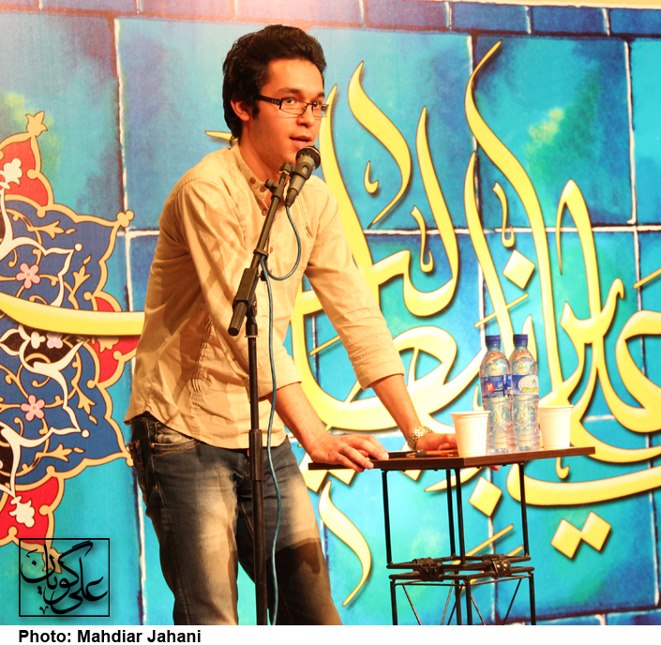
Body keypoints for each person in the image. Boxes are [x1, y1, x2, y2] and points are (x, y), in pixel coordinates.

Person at [125, 24, 454, 625]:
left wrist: (415, 430)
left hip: (262, 431)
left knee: (313, 616)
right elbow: (242, 328)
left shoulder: (314, 199)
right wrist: (315, 436)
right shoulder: (206, 191)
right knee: (212, 620)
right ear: (243, 106)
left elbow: (356, 313)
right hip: (182, 428)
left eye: (317, 104)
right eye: (289, 101)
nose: (308, 119)